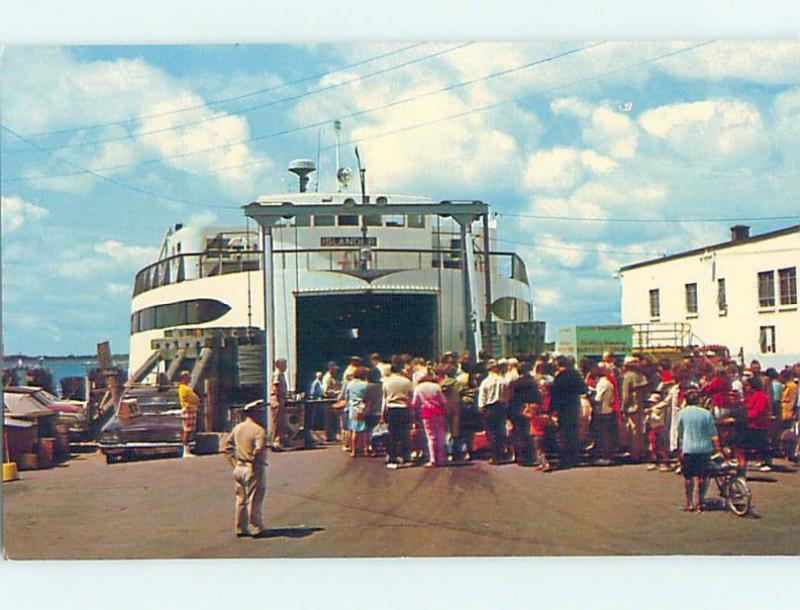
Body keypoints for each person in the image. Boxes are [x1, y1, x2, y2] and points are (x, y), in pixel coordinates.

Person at [222, 399, 268, 537]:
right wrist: (254, 460)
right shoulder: (259, 430)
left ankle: (240, 527)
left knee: (240, 499)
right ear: (254, 413)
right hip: (253, 467)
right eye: (260, 412)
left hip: (239, 467)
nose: (262, 414)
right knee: (255, 499)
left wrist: (234, 462)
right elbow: (259, 449)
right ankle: (255, 527)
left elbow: (226, 446)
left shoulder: (238, 428)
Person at [676, 389, 720, 512]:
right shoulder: (706, 414)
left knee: (688, 477)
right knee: (702, 477)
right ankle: (700, 502)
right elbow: (713, 434)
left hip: (688, 448)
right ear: (698, 400)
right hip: (704, 448)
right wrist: (718, 449)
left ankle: (689, 503)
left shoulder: (682, 413)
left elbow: (680, 432)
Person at [549, 356, 587, 469]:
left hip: (563, 407)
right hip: (574, 405)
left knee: (564, 433)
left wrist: (551, 409)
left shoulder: (559, 377)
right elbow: (583, 389)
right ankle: (575, 457)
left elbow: (555, 394)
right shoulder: (575, 375)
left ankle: (566, 457)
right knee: (573, 431)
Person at [411, 368, 448, 467]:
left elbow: (414, 403)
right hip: (439, 411)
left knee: (430, 437)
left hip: (426, 413)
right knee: (440, 435)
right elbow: (444, 401)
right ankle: (441, 459)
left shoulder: (418, 388)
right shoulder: (437, 387)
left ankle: (433, 459)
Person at [382, 355, 414, 469]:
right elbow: (411, 397)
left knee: (392, 434)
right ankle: (406, 456)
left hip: (391, 408)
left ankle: (392, 456)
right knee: (405, 433)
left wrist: (383, 413)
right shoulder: (407, 382)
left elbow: (384, 399)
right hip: (404, 408)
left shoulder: (387, 382)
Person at [507, 361, 540, 466]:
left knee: (518, 433)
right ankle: (530, 456)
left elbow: (510, 398)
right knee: (529, 433)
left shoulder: (514, 384)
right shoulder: (533, 383)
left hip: (516, 409)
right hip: (530, 409)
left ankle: (520, 456)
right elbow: (537, 397)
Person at [478, 359, 511, 464]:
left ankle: (494, 455)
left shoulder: (485, 382)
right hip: (501, 407)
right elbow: (507, 395)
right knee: (500, 431)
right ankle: (502, 453)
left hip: (489, 408)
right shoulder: (503, 381)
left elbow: (482, 397)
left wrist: (481, 408)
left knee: (491, 432)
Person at [621, 356, 649, 462]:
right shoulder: (641, 376)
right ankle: (640, 452)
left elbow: (627, 395)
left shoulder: (628, 377)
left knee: (634, 431)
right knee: (639, 431)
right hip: (640, 405)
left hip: (632, 407)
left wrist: (623, 407)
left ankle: (635, 454)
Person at [592, 363, 617, 465]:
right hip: (609, 409)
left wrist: (591, 396)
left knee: (604, 434)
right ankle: (608, 455)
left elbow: (598, 398)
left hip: (603, 411)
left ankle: (606, 457)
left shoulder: (602, 384)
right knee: (608, 434)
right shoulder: (608, 382)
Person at [343, 366, 370, 457]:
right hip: (364, 408)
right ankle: (366, 449)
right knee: (366, 431)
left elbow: (346, 397)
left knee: (354, 430)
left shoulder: (350, 384)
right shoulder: (366, 385)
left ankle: (353, 450)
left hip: (353, 409)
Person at [177, 370, 200, 458]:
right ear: (183, 378)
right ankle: (185, 451)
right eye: (187, 377)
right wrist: (196, 400)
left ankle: (187, 450)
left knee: (189, 430)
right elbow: (195, 398)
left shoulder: (185, 387)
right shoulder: (184, 388)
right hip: (188, 409)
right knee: (187, 430)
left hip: (190, 409)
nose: (189, 379)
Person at [269, 358, 289, 449]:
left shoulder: (281, 374)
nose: (286, 366)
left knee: (282, 421)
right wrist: (279, 397)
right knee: (276, 422)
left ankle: (281, 439)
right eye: (284, 364)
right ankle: (274, 441)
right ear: (279, 365)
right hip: (277, 399)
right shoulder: (277, 374)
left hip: (281, 399)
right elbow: (275, 387)